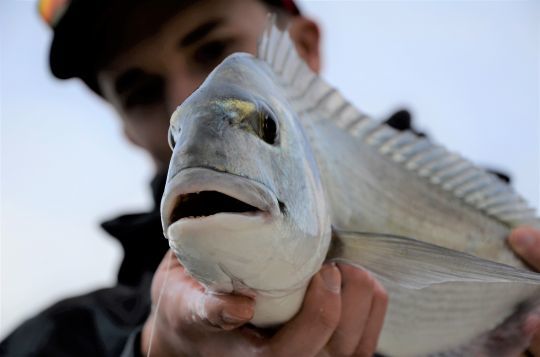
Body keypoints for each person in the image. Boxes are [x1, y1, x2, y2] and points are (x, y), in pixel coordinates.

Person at [1, 0, 539, 356]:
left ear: (301, 48)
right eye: (140, 91)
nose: (188, 97)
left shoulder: (495, 224)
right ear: (123, 126)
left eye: (213, 49)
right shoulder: (69, 338)